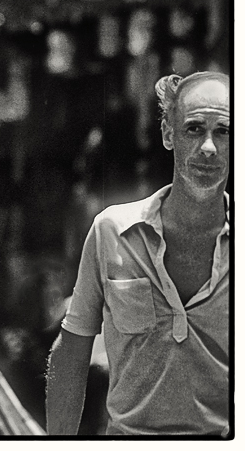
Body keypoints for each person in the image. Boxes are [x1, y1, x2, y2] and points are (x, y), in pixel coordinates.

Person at [46, 71, 230, 437]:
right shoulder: (112, 230)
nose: (208, 148)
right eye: (194, 129)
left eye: (224, 132)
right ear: (168, 134)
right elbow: (72, 352)